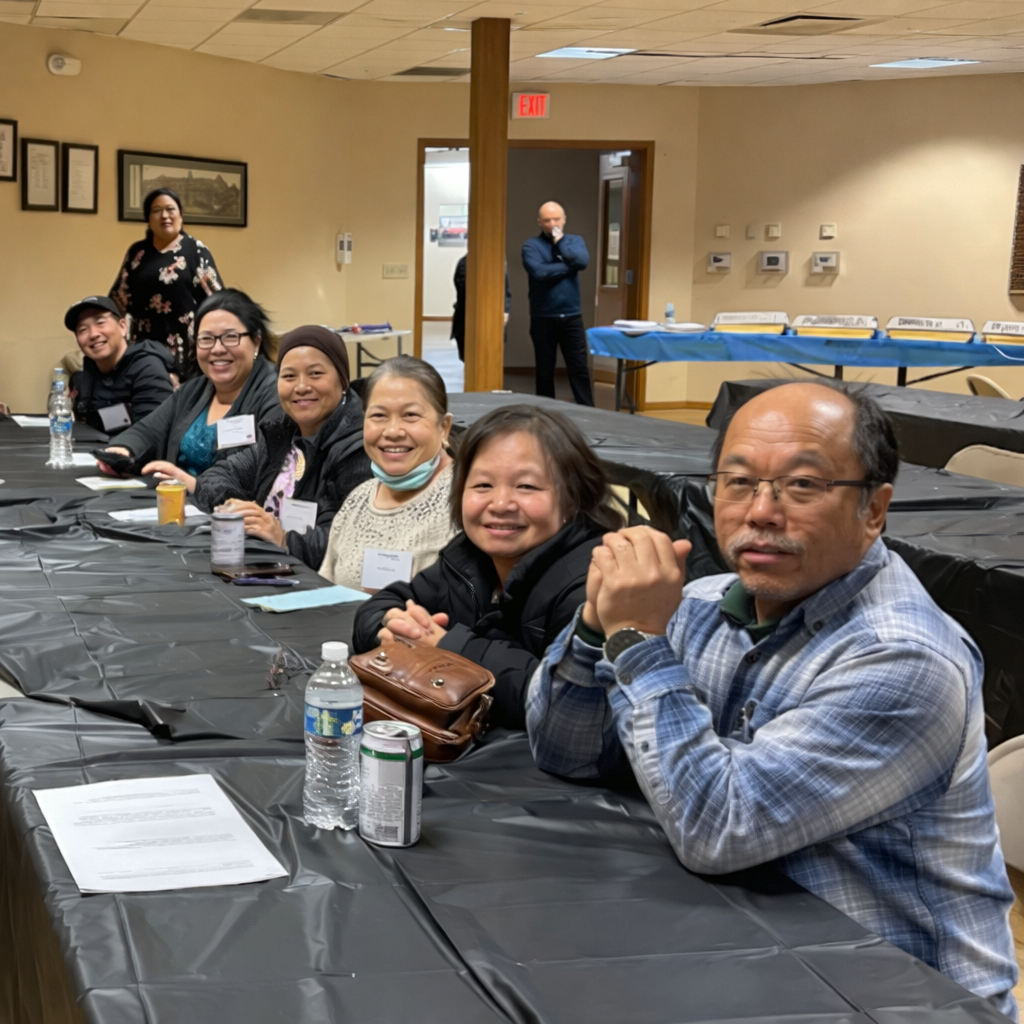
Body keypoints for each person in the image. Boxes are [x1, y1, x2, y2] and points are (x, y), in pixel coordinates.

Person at [526, 381, 1018, 1018]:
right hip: (736, 944)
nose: (760, 511)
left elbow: (718, 828)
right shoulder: (700, 606)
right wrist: (595, 624)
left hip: (893, 990)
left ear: (874, 509)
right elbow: (566, 752)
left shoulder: (904, 658)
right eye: (737, 482)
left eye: (802, 485)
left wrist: (636, 638)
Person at [352, 404, 621, 729]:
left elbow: (567, 701)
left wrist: (447, 649)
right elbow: (388, 601)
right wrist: (394, 626)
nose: (501, 504)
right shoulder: (466, 558)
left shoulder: (596, 583)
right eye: (482, 485)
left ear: (573, 499)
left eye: (527, 487)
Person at [195, 325, 372, 570]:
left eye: (315, 374)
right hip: (267, 570)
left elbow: (349, 544)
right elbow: (215, 476)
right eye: (289, 376)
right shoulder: (281, 436)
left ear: (343, 381)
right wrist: (239, 509)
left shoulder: (359, 448)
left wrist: (282, 538)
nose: (301, 386)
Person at [96, 289, 280, 489]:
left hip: (238, 515)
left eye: (230, 337)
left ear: (256, 342)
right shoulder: (195, 390)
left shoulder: (276, 393)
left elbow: (262, 470)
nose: (217, 349)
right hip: (179, 507)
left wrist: (192, 484)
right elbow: (147, 431)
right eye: (206, 339)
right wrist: (122, 451)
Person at [320, 356, 456, 591]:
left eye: (410, 415)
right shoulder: (358, 500)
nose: (393, 431)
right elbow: (325, 591)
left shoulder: (466, 501)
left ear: (444, 427)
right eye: (379, 416)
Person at [109, 188, 223, 376]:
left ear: (180, 216)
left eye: (171, 209)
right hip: (143, 350)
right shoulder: (138, 253)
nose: (165, 216)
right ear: (148, 219)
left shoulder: (195, 250)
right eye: (157, 210)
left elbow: (217, 300)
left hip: (187, 349)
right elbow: (118, 299)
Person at [64, 295, 174, 435]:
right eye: (83, 330)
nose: (93, 334)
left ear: (123, 327)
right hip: (94, 450)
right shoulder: (83, 378)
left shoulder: (147, 368)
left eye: (100, 322)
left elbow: (153, 433)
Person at [521, 201, 593, 406]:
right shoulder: (531, 245)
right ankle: (544, 413)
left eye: (556, 219)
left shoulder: (574, 240)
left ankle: (588, 411)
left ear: (564, 220)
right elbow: (540, 272)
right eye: (547, 220)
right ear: (539, 222)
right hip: (543, 317)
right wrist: (570, 266)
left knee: (579, 368)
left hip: (571, 316)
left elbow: (583, 262)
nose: (552, 223)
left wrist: (560, 241)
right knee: (544, 371)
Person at [451, 254, 511, 363]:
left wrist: (505, 312)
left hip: (492, 314)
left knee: (491, 353)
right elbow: (463, 291)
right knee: (468, 353)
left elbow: (506, 290)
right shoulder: (465, 263)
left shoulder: (498, 262)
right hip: (468, 314)